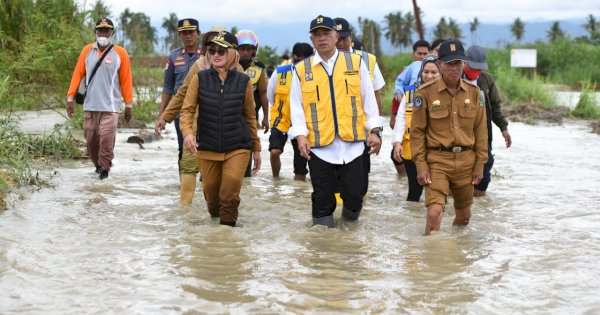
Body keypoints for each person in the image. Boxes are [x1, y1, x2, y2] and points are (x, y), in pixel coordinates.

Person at [289, 15, 383, 228]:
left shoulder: (355, 63)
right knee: (322, 198)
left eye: (327, 33)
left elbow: (368, 99)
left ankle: (350, 234)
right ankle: (324, 248)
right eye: (317, 35)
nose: (322, 38)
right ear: (312, 39)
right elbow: (296, 107)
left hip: (353, 145)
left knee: (354, 194)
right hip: (319, 146)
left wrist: (375, 130)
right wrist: (301, 135)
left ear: (336, 36)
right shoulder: (301, 70)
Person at [179, 31, 261, 227]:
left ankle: (228, 239)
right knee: (212, 200)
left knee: (229, 194)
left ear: (232, 54)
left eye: (221, 51)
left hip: (237, 146)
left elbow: (250, 116)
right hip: (207, 147)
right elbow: (187, 111)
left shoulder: (244, 82)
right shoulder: (200, 79)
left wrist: (256, 148)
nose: (215, 55)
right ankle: (216, 241)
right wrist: (188, 134)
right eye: (212, 50)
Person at [410, 39, 488, 235]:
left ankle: (455, 256)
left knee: (464, 217)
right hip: (437, 161)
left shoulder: (475, 93)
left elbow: (481, 132)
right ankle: (431, 259)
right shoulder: (424, 93)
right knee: (434, 213)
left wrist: (480, 165)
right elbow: (417, 133)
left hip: (466, 163)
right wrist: (420, 166)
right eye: (450, 63)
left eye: (459, 63)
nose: (455, 68)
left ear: (464, 64)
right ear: (440, 64)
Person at [155, 25, 229, 204]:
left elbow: (247, 106)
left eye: (221, 46)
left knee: (216, 178)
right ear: (206, 46)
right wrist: (165, 117)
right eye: (212, 45)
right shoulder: (199, 65)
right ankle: (185, 214)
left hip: (225, 129)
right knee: (188, 165)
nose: (216, 51)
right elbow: (181, 93)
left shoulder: (235, 69)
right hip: (197, 126)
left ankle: (215, 214)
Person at [67, 18, 133, 180]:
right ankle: (98, 165)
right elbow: (78, 74)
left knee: (106, 140)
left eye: (107, 30)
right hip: (90, 106)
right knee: (91, 141)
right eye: (100, 30)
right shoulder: (87, 51)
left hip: (110, 108)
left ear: (112, 33)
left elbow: (126, 80)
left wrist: (128, 104)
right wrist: (70, 99)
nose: (103, 33)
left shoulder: (120, 53)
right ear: (95, 32)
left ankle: (104, 170)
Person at [333, 17, 386, 197]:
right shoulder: (324, 62)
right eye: (337, 38)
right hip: (334, 132)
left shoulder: (368, 60)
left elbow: (375, 95)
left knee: (361, 179)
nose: (340, 43)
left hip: (362, 130)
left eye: (344, 39)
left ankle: (354, 215)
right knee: (335, 180)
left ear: (351, 38)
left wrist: (377, 129)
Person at [464, 45, 512, 197]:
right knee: (462, 171)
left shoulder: (487, 80)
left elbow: (495, 107)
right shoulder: (454, 78)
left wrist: (503, 129)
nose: (475, 72)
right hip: (462, 134)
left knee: (485, 167)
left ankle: (479, 203)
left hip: (483, 133)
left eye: (479, 69)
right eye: (473, 67)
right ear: (464, 62)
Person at [392, 54, 441, 202]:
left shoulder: (446, 95)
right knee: (414, 189)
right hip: (410, 149)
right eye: (426, 72)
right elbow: (400, 119)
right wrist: (397, 143)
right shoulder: (410, 95)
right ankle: (411, 219)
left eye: (434, 72)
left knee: (438, 189)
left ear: (440, 73)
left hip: (436, 150)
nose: (429, 76)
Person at [267, 42, 313, 180]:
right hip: (281, 120)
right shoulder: (280, 73)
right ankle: (275, 180)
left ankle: (299, 194)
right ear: (294, 57)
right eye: (299, 60)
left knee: (300, 170)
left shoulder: (314, 74)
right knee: (274, 151)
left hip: (302, 123)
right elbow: (270, 96)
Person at [390, 39, 431, 175]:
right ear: (414, 54)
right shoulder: (411, 68)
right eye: (419, 53)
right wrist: (399, 96)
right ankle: (403, 176)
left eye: (425, 53)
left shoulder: (437, 68)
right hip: (410, 110)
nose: (422, 56)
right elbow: (399, 84)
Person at [236, 29, 269, 177]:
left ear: (253, 51)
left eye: (248, 49)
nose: (245, 52)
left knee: (248, 145)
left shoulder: (259, 69)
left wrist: (266, 117)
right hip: (230, 114)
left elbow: (263, 94)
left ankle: (246, 175)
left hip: (250, 116)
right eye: (242, 49)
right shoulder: (227, 65)